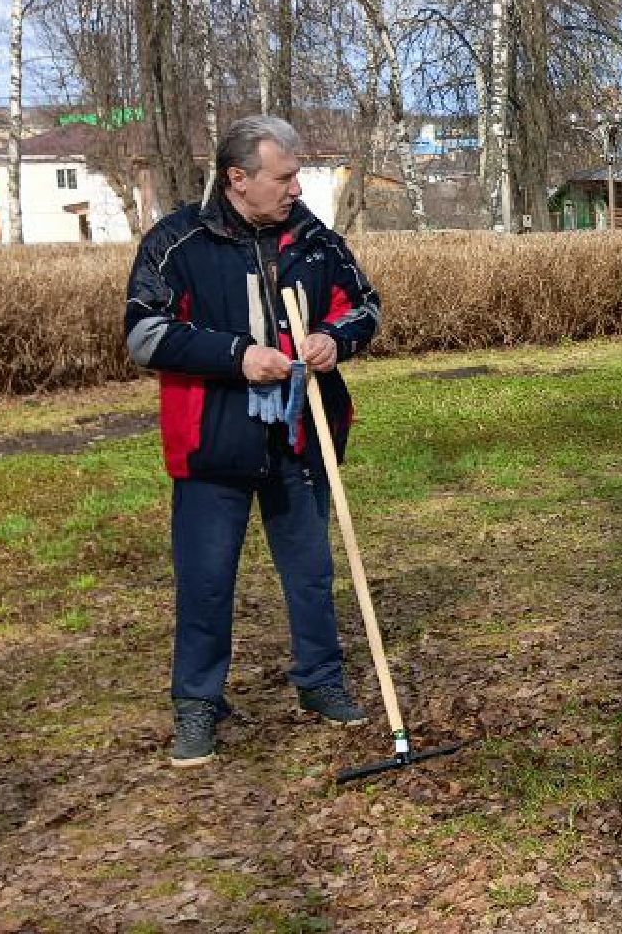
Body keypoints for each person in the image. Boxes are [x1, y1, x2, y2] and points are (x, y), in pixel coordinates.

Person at [123, 115, 385, 768]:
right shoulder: (176, 242)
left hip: (300, 434)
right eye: (285, 177)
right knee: (206, 581)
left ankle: (321, 683)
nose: (297, 190)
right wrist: (237, 356)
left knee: (311, 573)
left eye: (297, 176)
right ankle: (197, 707)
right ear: (238, 180)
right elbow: (144, 335)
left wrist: (335, 337)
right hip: (213, 441)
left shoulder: (312, 239)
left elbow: (365, 305)